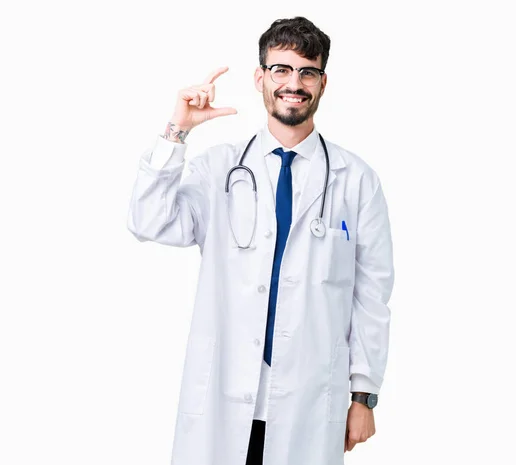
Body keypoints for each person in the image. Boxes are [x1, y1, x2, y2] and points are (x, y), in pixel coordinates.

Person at [127, 16, 394, 465]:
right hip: (223, 394)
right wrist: (178, 130)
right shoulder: (220, 171)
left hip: (311, 400)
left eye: (307, 71)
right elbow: (147, 220)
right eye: (282, 69)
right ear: (261, 78)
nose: (295, 83)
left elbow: (371, 296)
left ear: (323, 83)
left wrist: (363, 396)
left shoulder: (357, 181)